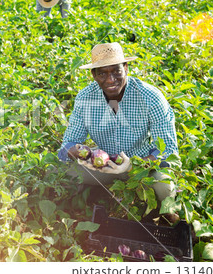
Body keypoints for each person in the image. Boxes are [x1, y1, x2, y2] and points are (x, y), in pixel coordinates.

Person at [58, 42, 179, 202]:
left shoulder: (150, 97)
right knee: (57, 172)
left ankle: (167, 217)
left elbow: (168, 150)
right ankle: (85, 205)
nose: (110, 80)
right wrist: (79, 151)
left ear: (126, 68)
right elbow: (67, 145)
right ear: (93, 75)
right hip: (103, 165)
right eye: (102, 74)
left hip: (142, 166)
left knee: (165, 187)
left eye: (116, 71)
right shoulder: (85, 98)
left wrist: (132, 166)